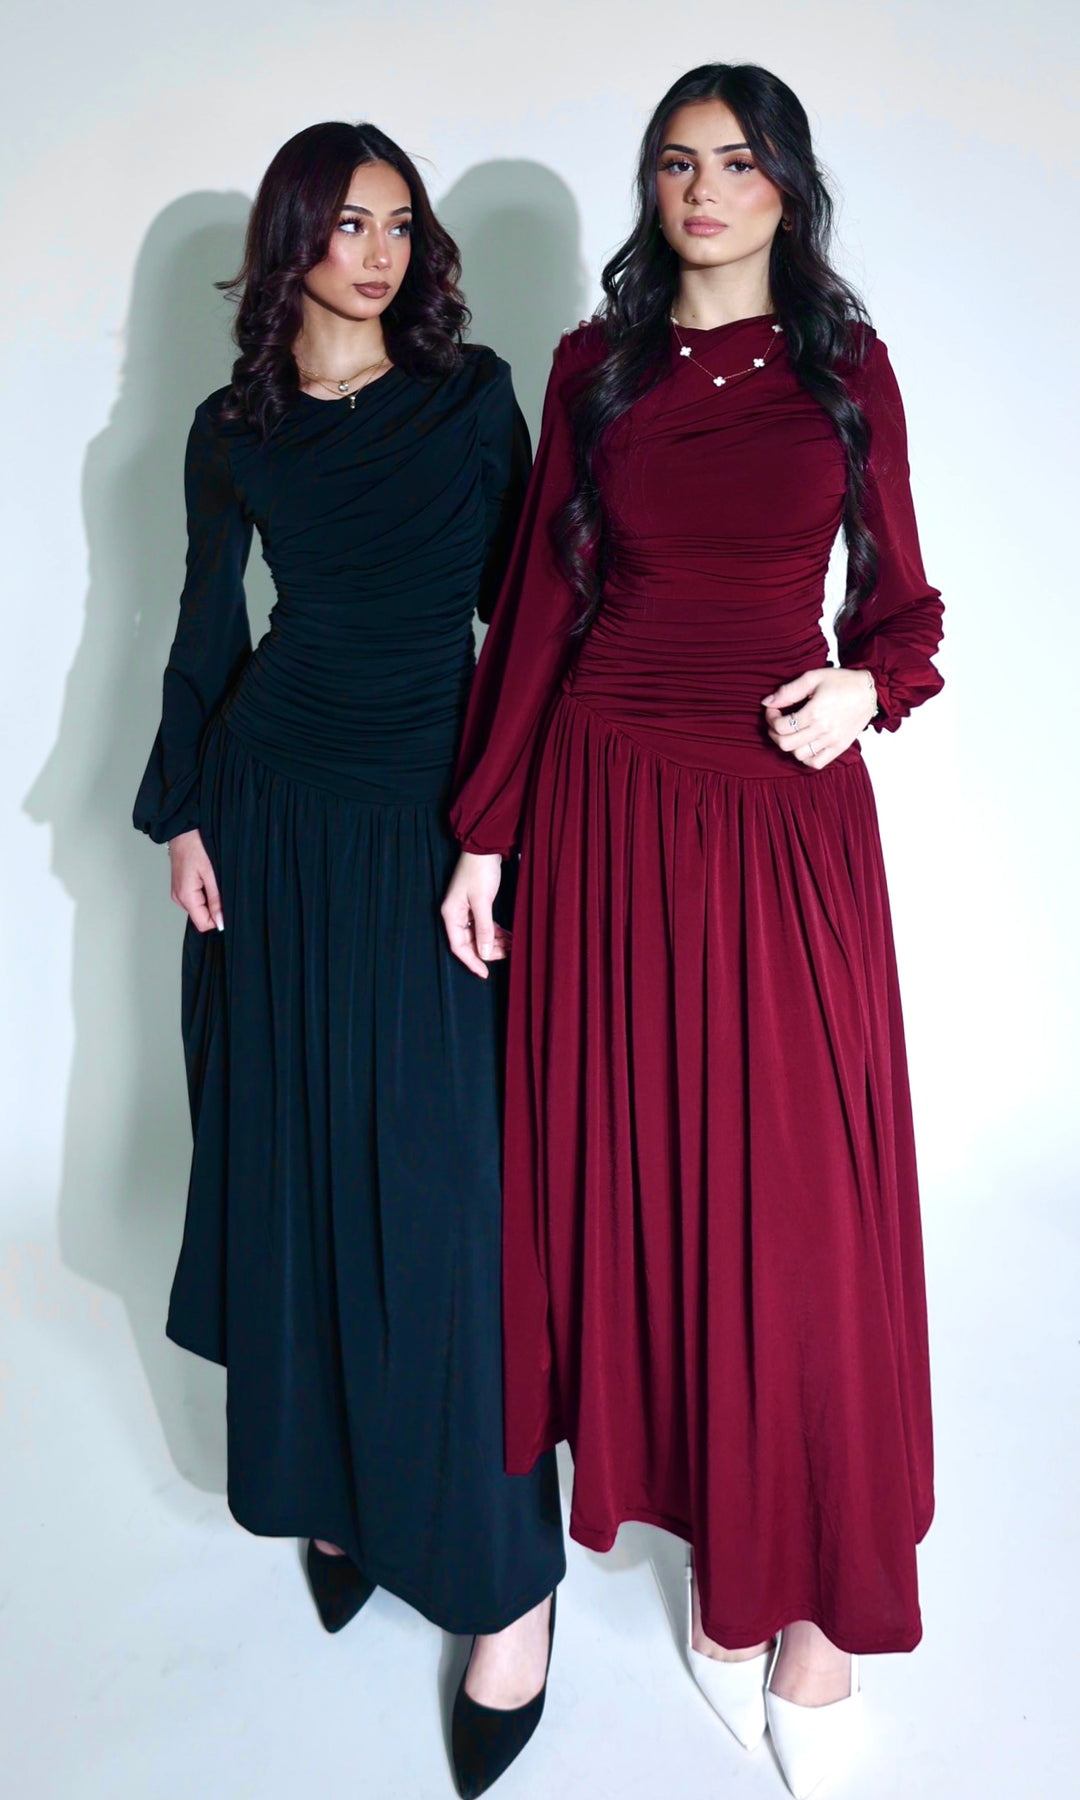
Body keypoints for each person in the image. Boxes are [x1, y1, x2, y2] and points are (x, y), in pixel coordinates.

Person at [443, 63, 941, 1799]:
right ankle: (726, 1568)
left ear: (788, 186)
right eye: (677, 162)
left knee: (799, 1208)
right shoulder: (597, 369)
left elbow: (902, 603)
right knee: (652, 1190)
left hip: (780, 814)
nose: (705, 189)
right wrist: (487, 834)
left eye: (737, 161)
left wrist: (867, 688)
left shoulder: (845, 369)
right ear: (651, 189)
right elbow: (539, 608)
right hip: (606, 808)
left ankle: (815, 1616)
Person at [134, 119, 562, 1799]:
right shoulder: (231, 430)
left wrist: (513, 825)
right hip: (270, 819)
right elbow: (205, 622)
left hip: (431, 825)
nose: (377, 255)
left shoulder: (472, 402)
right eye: (347, 225)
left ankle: (506, 1584)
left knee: (447, 1202)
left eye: (399, 226)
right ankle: (336, 1488)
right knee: (299, 1173)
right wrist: (185, 812)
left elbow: (535, 622)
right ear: (292, 241)